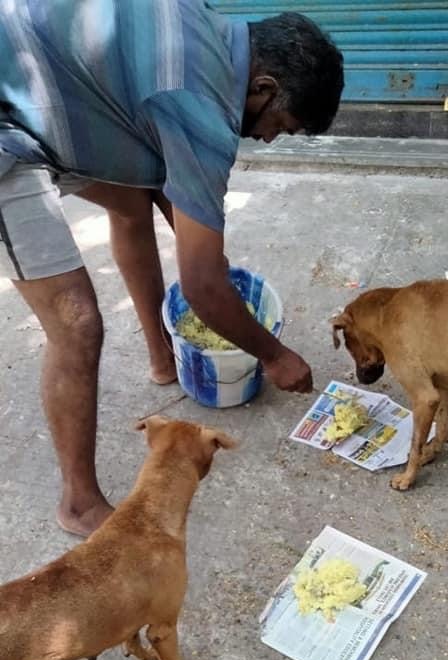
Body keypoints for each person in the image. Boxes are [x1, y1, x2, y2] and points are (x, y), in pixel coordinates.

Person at [0, 0, 344, 535]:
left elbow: (168, 195)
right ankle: (79, 504)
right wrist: (275, 356)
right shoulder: (202, 110)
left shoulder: (206, 28)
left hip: (45, 81)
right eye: (283, 125)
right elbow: (202, 287)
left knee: (132, 203)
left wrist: (207, 251)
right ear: (266, 88)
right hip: (9, 124)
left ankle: (163, 358)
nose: (271, 138)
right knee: (77, 324)